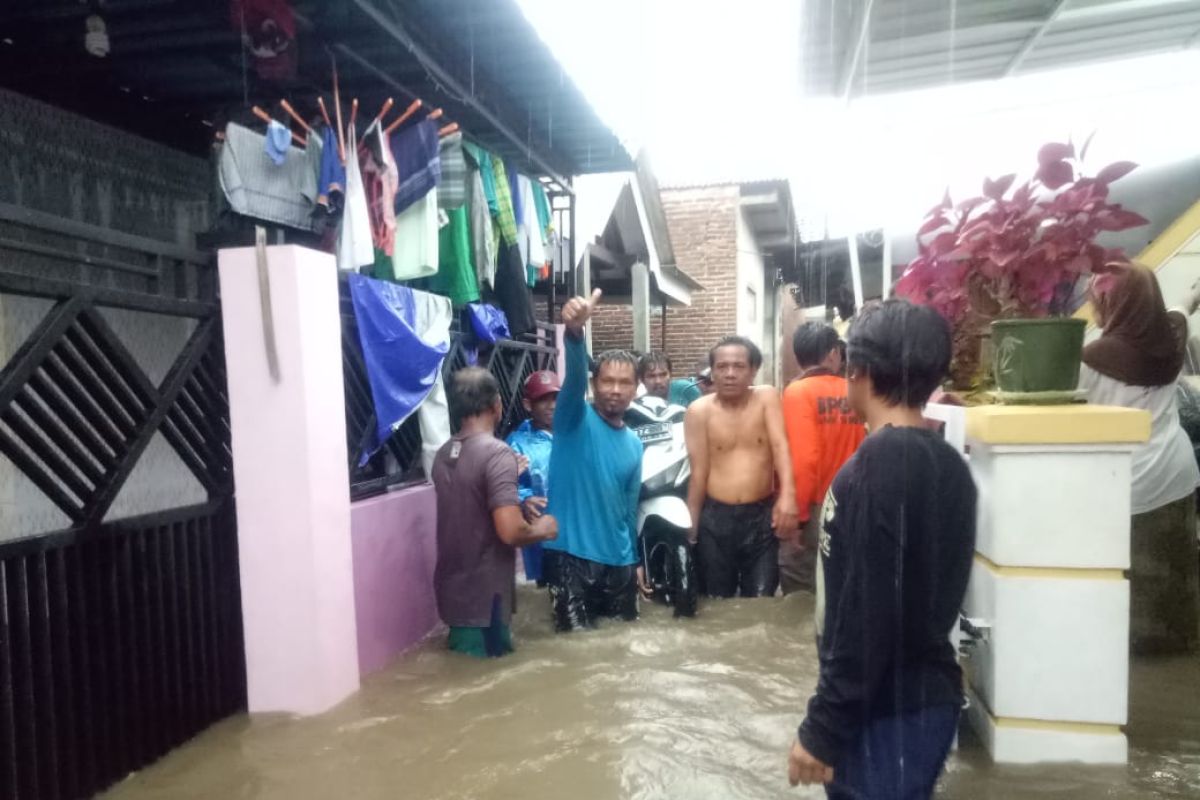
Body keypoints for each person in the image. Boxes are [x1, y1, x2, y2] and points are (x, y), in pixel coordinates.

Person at [788, 299, 976, 797]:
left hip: (888, 710)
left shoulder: (885, 460)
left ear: (858, 371)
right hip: (909, 699)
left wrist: (823, 728)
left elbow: (870, 610)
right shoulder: (946, 463)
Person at [1080, 262, 1200, 653]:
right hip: (1175, 471)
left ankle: (1127, 651)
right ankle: (1177, 644)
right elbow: (1181, 308)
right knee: (1173, 565)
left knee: (1125, 575)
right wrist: (1193, 295)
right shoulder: (1172, 335)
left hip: (1122, 480)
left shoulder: (1092, 356)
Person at [432, 368, 558, 658]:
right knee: (488, 674)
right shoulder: (498, 453)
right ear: (496, 404)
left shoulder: (444, 453)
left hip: (453, 592)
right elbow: (510, 530)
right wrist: (545, 528)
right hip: (485, 600)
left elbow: (470, 502)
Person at [542, 289, 646, 631]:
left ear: (635, 389)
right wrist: (573, 333)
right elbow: (572, 379)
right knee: (575, 657)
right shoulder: (572, 419)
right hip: (570, 559)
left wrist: (635, 561)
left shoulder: (634, 443)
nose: (615, 389)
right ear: (594, 384)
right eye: (607, 381)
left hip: (618, 563)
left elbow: (630, 510)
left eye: (624, 382)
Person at [685, 335, 798, 597]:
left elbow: (781, 447)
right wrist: (691, 526)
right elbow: (698, 473)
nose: (730, 374)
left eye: (738, 366)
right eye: (722, 367)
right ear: (711, 372)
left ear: (753, 370)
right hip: (714, 519)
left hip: (760, 518)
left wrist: (789, 497)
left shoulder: (766, 398)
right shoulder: (698, 411)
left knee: (762, 601)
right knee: (716, 602)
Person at [779, 323, 865, 595]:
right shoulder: (854, 390)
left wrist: (798, 517)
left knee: (801, 587)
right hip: (855, 502)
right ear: (831, 354)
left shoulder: (798, 392)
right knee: (843, 582)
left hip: (817, 506)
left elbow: (805, 460)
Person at [506, 369, 561, 586]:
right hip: (542, 534)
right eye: (543, 400)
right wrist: (523, 500)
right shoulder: (517, 443)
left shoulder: (573, 433)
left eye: (555, 398)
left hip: (576, 528)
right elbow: (508, 484)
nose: (552, 405)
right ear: (529, 405)